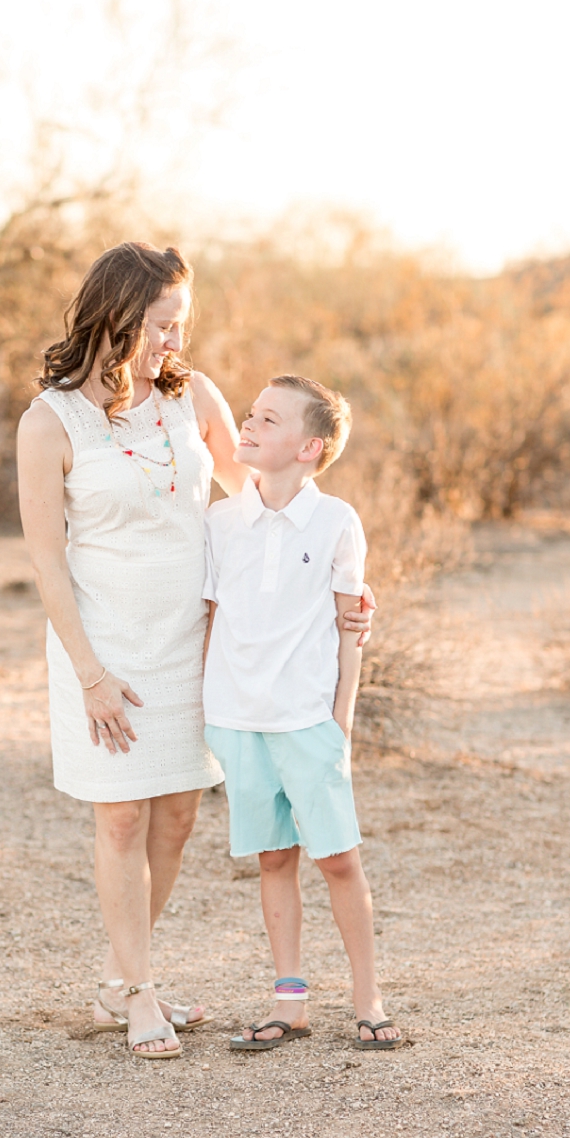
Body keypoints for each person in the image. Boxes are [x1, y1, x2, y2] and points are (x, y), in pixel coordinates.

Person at [17, 244, 375, 1059]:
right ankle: (140, 997)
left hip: (192, 644)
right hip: (102, 646)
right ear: (115, 317)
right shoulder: (49, 422)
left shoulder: (193, 399)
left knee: (176, 820)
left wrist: (337, 581)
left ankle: (120, 974)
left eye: (183, 324)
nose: (176, 342)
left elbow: (266, 502)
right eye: (162, 326)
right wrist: (92, 674)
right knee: (120, 820)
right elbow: (46, 557)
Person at [202, 374, 401, 1051]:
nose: (248, 425)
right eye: (249, 414)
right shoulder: (222, 523)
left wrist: (340, 724)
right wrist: (208, 715)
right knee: (273, 859)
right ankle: (290, 999)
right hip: (238, 720)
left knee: (339, 860)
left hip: (310, 722)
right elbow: (208, 619)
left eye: (268, 418)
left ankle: (368, 997)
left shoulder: (337, 521)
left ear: (310, 446)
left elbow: (351, 625)